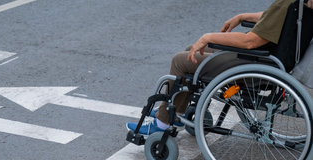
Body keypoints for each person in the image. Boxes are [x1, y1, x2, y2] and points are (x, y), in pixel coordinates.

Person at [127, 0, 313, 135]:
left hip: (256, 63)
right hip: (269, 61)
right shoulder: (300, 5)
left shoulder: (289, 2)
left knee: (181, 60)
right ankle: (177, 110)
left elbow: (250, 41)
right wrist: (242, 17)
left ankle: (161, 124)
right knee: (190, 51)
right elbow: (274, 19)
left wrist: (208, 37)